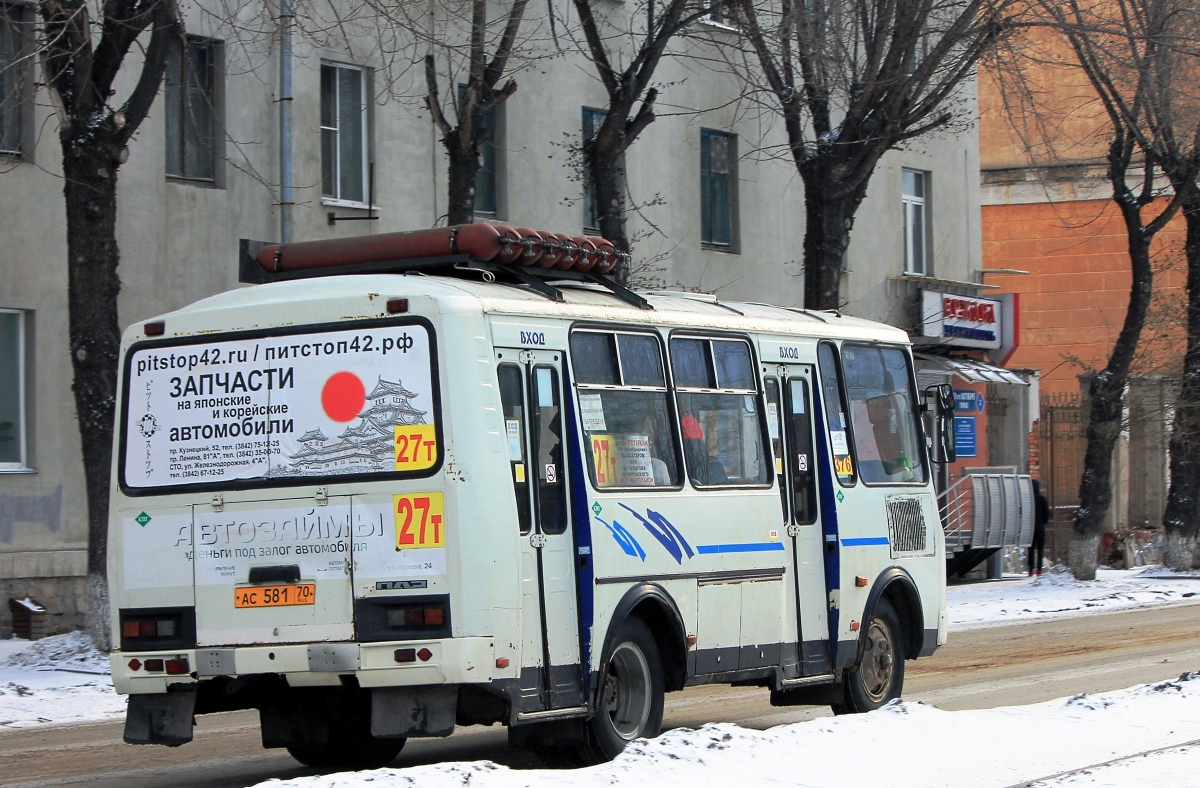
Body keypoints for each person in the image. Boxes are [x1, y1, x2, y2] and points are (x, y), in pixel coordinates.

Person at [1030, 478, 1049, 577]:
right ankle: (1039, 569)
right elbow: (1047, 513)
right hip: (1040, 527)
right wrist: (1044, 523)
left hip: (1030, 527)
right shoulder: (1043, 499)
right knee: (1040, 549)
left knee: (1031, 549)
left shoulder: (1028, 498)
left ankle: (1030, 570)